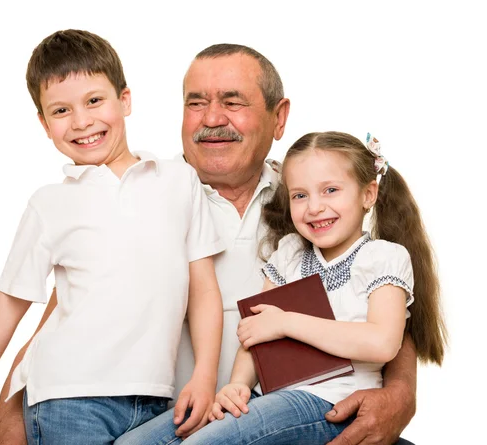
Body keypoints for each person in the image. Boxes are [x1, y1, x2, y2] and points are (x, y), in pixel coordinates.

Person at [0, 44, 421, 445]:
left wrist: (400, 392)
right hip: (177, 421)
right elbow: (59, 322)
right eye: (196, 103)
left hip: (294, 419)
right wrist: (11, 419)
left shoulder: (313, 199)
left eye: (233, 102)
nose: (212, 118)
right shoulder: (150, 196)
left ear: (279, 117)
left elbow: (381, 310)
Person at [0, 29, 225, 445]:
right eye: (60, 110)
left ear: (124, 100)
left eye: (94, 101)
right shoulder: (49, 205)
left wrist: (204, 376)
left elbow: (203, 291)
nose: (82, 121)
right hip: (68, 399)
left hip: (156, 399)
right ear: (43, 123)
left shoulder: (179, 181)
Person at [120, 131, 448, 444]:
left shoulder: (383, 257)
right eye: (300, 195)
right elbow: (256, 330)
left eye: (331, 190)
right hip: (271, 395)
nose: (315, 207)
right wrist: (237, 384)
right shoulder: (290, 252)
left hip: (330, 402)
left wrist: (287, 322)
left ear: (368, 194)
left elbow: (382, 343)